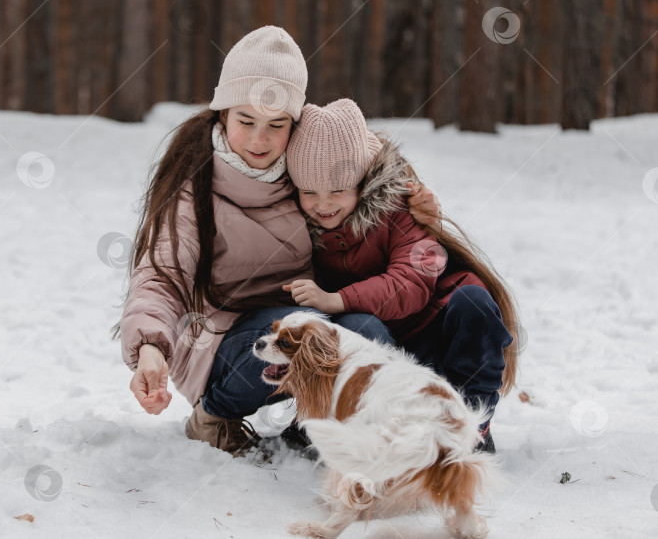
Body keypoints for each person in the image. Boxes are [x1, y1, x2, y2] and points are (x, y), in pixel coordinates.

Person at [118, 27, 439, 454]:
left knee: (366, 330)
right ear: (223, 116)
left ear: (295, 123)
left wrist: (421, 211)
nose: (260, 140)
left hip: (306, 323)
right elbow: (162, 276)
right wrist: (150, 348)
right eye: (246, 121)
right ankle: (214, 415)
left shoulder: (310, 175)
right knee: (302, 329)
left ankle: (328, 427)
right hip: (225, 342)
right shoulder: (193, 189)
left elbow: (365, 188)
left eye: (277, 124)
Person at [283, 99, 520, 453]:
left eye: (338, 190)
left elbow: (412, 281)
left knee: (475, 303)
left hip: (428, 338)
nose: (323, 204)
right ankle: (351, 420)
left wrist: (336, 298)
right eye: (309, 192)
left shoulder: (400, 205)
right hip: (376, 346)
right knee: (361, 327)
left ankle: (471, 425)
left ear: (362, 182)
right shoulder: (294, 222)